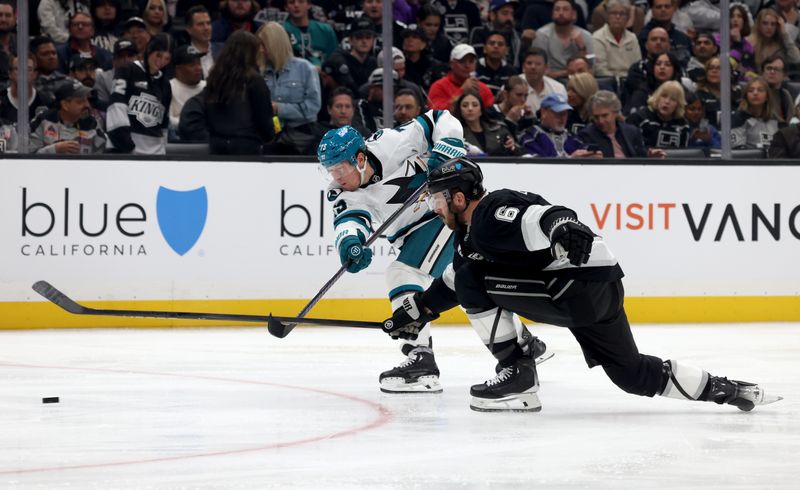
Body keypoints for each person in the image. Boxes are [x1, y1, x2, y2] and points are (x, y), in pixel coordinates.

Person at [382, 157, 783, 412]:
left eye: (435, 199)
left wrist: (563, 225)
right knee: (631, 374)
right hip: (594, 287)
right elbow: (455, 279)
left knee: (472, 277)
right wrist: (417, 312)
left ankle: (517, 373)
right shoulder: (471, 235)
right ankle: (728, 390)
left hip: (574, 285)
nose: (432, 208)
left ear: (455, 197)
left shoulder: (488, 214)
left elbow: (541, 216)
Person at [316, 108, 523, 394]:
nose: (336, 177)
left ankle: (420, 357)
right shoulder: (342, 193)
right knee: (465, 287)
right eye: (331, 171)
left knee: (404, 273)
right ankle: (522, 343)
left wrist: (445, 145)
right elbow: (350, 221)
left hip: (443, 218)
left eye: (340, 169)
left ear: (360, 159)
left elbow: (439, 118)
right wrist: (350, 243)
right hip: (414, 236)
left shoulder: (389, 143)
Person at [205, 30, 274, 154]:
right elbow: (263, 117)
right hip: (246, 145)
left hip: (217, 144)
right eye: (259, 49)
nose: (262, 51)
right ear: (251, 52)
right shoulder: (254, 80)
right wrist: (269, 137)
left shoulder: (215, 77)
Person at [258, 21, 321, 151]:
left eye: (264, 45)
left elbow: (313, 107)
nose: (260, 50)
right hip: (268, 136)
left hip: (301, 139)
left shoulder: (306, 68)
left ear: (275, 45)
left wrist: (278, 108)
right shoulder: (258, 71)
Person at [106, 33, 173, 154]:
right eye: (158, 55)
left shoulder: (166, 84)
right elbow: (116, 107)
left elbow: (163, 123)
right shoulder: (127, 70)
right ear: (149, 51)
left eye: (167, 58)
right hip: (125, 151)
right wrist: (126, 146)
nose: (161, 61)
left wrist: (162, 150)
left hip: (155, 153)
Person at [578, 90, 666, 158]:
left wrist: (650, 157)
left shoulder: (632, 131)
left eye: (605, 116)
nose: (601, 121)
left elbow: (641, 158)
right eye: (596, 117)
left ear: (615, 113)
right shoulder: (586, 135)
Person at [30, 80, 106, 154]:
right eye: (80, 102)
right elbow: (28, 157)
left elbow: (103, 158)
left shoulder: (93, 124)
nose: (87, 105)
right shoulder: (43, 120)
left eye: (87, 100)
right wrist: (54, 150)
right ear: (65, 105)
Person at [519, 92, 597, 157]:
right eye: (558, 113)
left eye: (565, 113)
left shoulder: (572, 137)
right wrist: (570, 161)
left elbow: (584, 150)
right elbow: (536, 164)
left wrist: (592, 155)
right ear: (544, 112)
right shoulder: (530, 135)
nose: (562, 118)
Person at [532, 0, 594, 79]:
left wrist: (582, 48)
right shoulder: (541, 35)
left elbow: (591, 68)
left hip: (580, 81)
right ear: (552, 14)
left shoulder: (586, 36)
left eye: (565, 9)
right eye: (557, 9)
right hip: (550, 82)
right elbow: (539, 70)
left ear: (574, 14)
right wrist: (567, 73)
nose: (561, 13)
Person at [428, 44, 495, 112]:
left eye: (471, 61)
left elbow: (491, 116)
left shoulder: (483, 89)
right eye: (462, 61)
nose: (467, 65)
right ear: (452, 64)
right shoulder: (439, 86)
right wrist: (461, 91)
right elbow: (435, 115)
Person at [453, 90, 521, 156]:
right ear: (460, 110)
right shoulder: (455, 135)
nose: (470, 109)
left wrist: (513, 147)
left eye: (475, 105)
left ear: (481, 110)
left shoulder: (499, 130)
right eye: (465, 105)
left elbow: (518, 153)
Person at [626, 80, 690, 149]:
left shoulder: (683, 125)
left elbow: (683, 155)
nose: (667, 102)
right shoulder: (639, 118)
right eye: (664, 96)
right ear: (657, 97)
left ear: (678, 104)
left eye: (673, 99)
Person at [469, 0, 530, 67]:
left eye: (512, 14)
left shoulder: (516, 37)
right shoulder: (480, 32)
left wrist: (526, 44)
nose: (510, 18)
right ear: (492, 15)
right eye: (505, 13)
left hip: (513, 74)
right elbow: (477, 61)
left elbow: (523, 62)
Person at [592, 0, 642, 78]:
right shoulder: (598, 37)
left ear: (628, 18)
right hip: (608, 81)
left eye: (622, 14)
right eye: (614, 13)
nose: (618, 17)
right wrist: (619, 79)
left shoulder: (632, 38)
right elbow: (600, 69)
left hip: (631, 81)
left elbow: (638, 66)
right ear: (607, 16)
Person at [623, 51, 683, 116]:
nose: (662, 67)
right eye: (658, 64)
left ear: (675, 70)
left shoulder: (682, 91)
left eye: (667, 64)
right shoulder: (642, 92)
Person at [731, 77, 782, 149]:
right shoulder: (738, 118)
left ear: (767, 96)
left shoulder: (776, 120)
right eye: (751, 91)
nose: (755, 93)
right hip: (750, 158)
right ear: (746, 96)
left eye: (760, 90)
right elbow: (738, 149)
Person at [0, 54, 53, 125]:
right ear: (10, 73)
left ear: (35, 74)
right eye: (18, 69)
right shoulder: (1, 99)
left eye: (28, 69)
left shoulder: (47, 101)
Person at [282, 0, 338, 67]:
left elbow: (334, 59)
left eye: (301, 1)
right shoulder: (281, 30)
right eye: (291, 2)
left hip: (323, 75)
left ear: (309, 5)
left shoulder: (326, 30)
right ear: (286, 7)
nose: (296, 5)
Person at [637, 0, 691, 68]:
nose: (663, 10)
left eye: (667, 6)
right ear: (652, 10)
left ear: (673, 9)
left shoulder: (682, 37)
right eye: (659, 7)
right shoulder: (645, 36)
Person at [169, 45, 205, 138]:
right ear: (178, 70)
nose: (198, 68)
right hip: (179, 138)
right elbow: (168, 119)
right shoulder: (169, 87)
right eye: (192, 65)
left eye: (199, 63)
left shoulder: (208, 87)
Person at [715, 4, 756, 82]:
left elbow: (748, 71)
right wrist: (737, 44)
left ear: (744, 21)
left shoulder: (748, 47)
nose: (735, 19)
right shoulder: (717, 40)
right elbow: (726, 65)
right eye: (732, 16)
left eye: (739, 16)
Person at [400, 27, 448, 92]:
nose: (409, 40)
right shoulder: (398, 64)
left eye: (414, 37)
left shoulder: (434, 66)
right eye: (406, 37)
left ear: (423, 44)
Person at [95, 38, 139, 111]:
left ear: (138, 58)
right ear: (114, 61)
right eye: (121, 56)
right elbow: (101, 109)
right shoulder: (104, 78)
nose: (126, 60)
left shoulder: (146, 76)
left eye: (130, 55)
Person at [520, 47, 567, 113]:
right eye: (529, 63)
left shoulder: (558, 89)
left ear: (546, 68)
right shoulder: (512, 85)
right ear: (523, 67)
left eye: (538, 64)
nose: (533, 67)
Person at [474, 32, 518, 96]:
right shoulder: (474, 68)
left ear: (506, 51)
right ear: (484, 49)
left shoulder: (511, 72)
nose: (496, 46)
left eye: (500, 44)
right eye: (492, 43)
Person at [184, 5, 221, 79]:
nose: (206, 28)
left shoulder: (223, 50)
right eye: (200, 24)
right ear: (189, 29)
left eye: (208, 23)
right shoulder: (184, 55)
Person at [760, 54, 794, 123]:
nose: (772, 72)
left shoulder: (785, 95)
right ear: (763, 72)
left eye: (776, 69)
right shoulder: (755, 92)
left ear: (784, 75)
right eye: (769, 68)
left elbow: (789, 121)